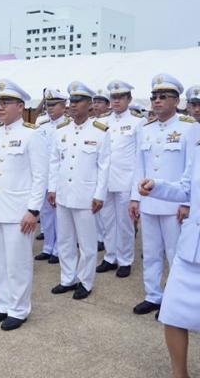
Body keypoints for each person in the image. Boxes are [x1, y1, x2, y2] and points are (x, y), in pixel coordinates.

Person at [0, 78, 47, 331]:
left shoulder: (32, 134)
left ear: (20, 106)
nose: (0, 106)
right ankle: (1, 304)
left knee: (17, 263)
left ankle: (18, 309)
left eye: (6, 102)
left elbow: (40, 176)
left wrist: (33, 210)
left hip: (18, 211)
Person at [129, 74, 197, 315]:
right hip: (149, 203)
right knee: (151, 253)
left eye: (163, 97)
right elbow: (139, 166)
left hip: (174, 205)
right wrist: (135, 198)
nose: (156, 101)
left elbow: (192, 169)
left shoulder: (189, 128)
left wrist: (187, 203)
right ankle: (153, 295)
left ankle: (173, 300)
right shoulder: (145, 130)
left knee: (175, 254)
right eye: (154, 97)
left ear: (177, 101)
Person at [137, 140, 200, 378]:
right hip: (190, 247)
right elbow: (185, 189)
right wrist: (156, 186)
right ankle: (179, 374)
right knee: (172, 313)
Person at [48, 81, 110, 299]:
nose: (73, 105)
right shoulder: (61, 130)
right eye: (71, 101)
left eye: (78, 101)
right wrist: (52, 188)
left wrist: (99, 194)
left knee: (87, 244)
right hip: (63, 194)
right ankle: (68, 278)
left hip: (86, 196)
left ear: (89, 104)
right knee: (65, 240)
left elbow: (104, 166)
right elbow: (54, 162)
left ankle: (85, 281)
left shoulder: (100, 132)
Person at [96, 80, 144, 278]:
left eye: (120, 97)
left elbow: (139, 157)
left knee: (125, 223)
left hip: (126, 181)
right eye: (113, 97)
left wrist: (136, 190)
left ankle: (125, 260)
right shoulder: (102, 122)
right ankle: (110, 256)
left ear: (129, 99)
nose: (116, 101)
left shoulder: (137, 122)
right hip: (105, 181)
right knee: (107, 222)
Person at [34, 88, 69, 264]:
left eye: (54, 104)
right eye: (48, 105)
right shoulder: (42, 125)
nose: (50, 108)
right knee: (46, 214)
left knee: (60, 215)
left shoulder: (69, 126)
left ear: (63, 105)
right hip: (44, 176)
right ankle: (48, 246)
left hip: (61, 177)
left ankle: (59, 248)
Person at [92, 89, 111, 251]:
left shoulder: (109, 122)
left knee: (108, 214)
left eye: (100, 102)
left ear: (107, 104)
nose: (96, 105)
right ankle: (98, 237)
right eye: (95, 102)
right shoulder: (91, 122)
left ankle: (106, 238)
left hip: (112, 174)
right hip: (93, 174)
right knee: (95, 211)